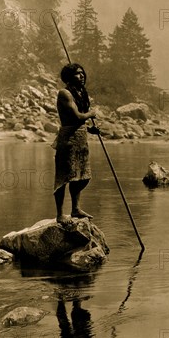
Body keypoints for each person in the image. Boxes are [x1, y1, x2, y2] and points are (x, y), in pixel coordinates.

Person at [53, 63, 99, 224]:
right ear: (68, 77)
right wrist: (91, 114)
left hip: (81, 138)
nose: (82, 76)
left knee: (82, 176)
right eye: (77, 74)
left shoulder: (81, 93)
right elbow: (76, 117)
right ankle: (60, 214)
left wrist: (91, 130)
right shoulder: (64, 93)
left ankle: (75, 208)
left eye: (82, 73)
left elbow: (81, 122)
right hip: (68, 139)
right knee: (64, 177)